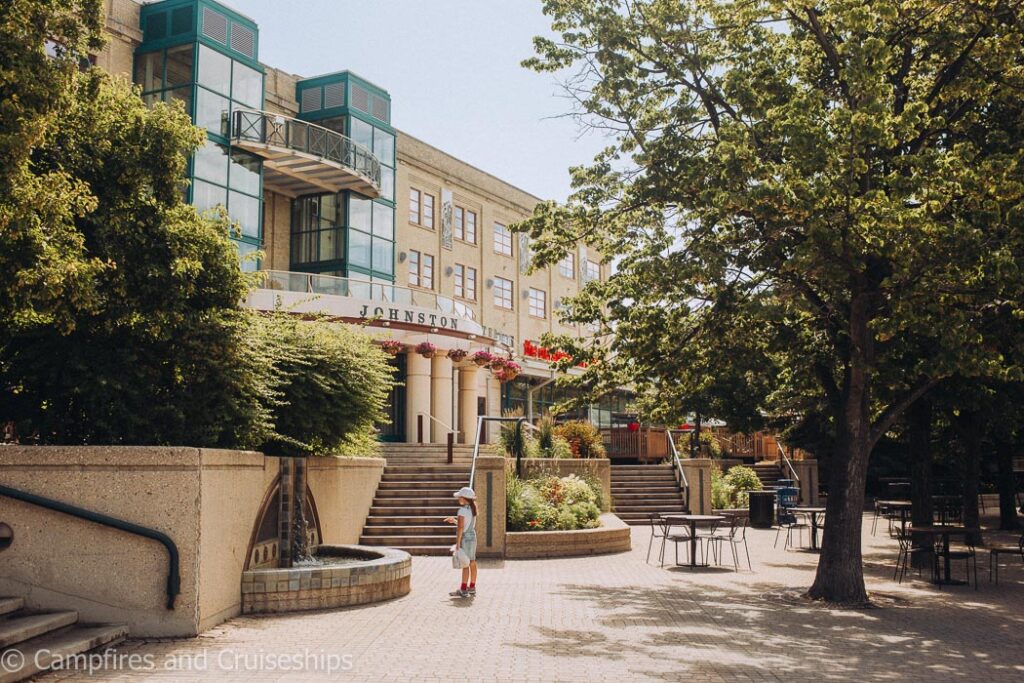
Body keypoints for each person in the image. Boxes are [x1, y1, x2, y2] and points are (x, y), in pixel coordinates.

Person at [445, 486, 477, 598]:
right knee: (472, 561)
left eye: (460, 497)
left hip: (465, 539)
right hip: (472, 537)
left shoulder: (461, 510)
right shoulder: (472, 508)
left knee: (465, 564)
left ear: (464, 498)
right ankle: (472, 587)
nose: (458, 498)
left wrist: (458, 543)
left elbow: (460, 528)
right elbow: (465, 525)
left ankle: (463, 589)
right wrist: (454, 520)